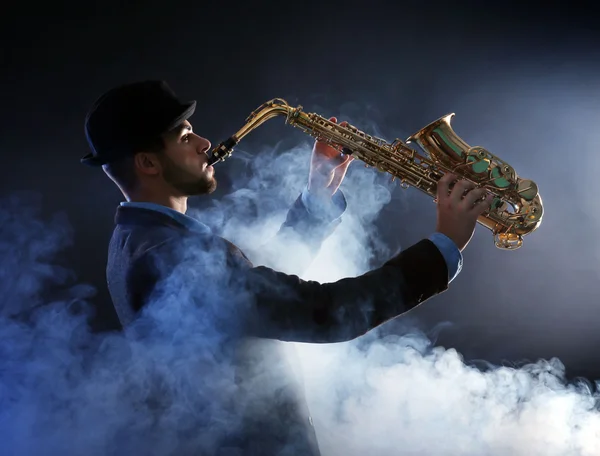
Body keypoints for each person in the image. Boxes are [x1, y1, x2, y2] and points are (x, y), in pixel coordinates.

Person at [81, 80, 492, 455]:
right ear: (148, 164)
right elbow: (327, 314)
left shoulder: (144, 239)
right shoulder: (165, 254)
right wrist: (444, 245)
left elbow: (260, 293)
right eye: (186, 137)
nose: (205, 142)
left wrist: (317, 195)